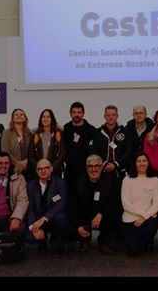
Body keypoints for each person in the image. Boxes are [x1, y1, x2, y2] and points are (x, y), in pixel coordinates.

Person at [72, 154, 122, 255]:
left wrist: (100, 214)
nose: (93, 169)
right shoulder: (79, 182)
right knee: (71, 216)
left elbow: (114, 203)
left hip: (103, 214)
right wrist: (78, 226)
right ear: (86, 168)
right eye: (90, 166)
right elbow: (74, 205)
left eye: (96, 166)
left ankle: (104, 242)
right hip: (86, 214)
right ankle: (84, 240)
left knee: (115, 214)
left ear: (101, 167)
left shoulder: (109, 181)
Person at [63, 101, 96, 243]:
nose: (76, 115)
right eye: (74, 112)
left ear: (83, 113)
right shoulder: (66, 129)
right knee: (71, 202)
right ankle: (72, 234)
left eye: (79, 112)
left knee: (85, 204)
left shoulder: (90, 129)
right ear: (70, 113)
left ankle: (85, 238)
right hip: (70, 172)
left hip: (84, 173)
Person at [121, 151, 158, 256]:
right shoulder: (127, 180)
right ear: (135, 163)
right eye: (139, 161)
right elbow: (126, 204)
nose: (142, 163)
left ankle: (148, 241)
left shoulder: (154, 180)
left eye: (144, 161)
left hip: (147, 220)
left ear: (148, 163)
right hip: (130, 218)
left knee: (146, 235)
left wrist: (143, 217)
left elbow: (157, 204)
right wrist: (144, 214)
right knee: (133, 252)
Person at [25, 159, 68, 255]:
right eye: (40, 169)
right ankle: (42, 242)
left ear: (51, 169)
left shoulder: (60, 183)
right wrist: (33, 227)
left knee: (61, 218)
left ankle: (57, 245)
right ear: (36, 171)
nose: (43, 171)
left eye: (46, 168)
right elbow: (30, 208)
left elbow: (61, 204)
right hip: (38, 220)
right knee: (30, 238)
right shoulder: (31, 186)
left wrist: (44, 218)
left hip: (53, 219)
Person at [89, 104, 136, 181]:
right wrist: (104, 164)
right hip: (101, 172)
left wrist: (115, 164)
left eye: (113, 115)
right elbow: (93, 151)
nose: (111, 117)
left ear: (117, 116)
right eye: (108, 115)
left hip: (120, 173)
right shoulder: (97, 133)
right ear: (104, 116)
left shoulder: (125, 132)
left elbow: (129, 152)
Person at [28, 109, 66, 178]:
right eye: (43, 117)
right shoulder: (35, 135)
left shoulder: (58, 134)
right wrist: (39, 167)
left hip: (54, 172)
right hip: (38, 173)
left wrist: (52, 167)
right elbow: (30, 155)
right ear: (40, 119)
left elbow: (63, 153)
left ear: (52, 119)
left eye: (48, 117)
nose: (45, 119)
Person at [1, 108, 32, 180]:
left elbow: (31, 150)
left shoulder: (29, 133)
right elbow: (5, 150)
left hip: (27, 168)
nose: (19, 116)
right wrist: (17, 163)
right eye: (16, 115)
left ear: (25, 118)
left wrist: (26, 161)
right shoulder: (6, 133)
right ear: (13, 119)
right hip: (12, 168)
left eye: (21, 114)